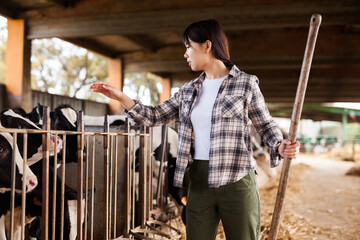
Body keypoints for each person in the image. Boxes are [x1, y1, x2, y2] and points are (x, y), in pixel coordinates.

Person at [90, 19, 300, 240]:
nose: (185, 53)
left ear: (207, 46)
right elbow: (153, 116)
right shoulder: (188, 91)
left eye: (188, 46)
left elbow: (266, 125)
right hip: (198, 182)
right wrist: (121, 97)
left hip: (237, 181)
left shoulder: (246, 84)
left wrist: (279, 144)